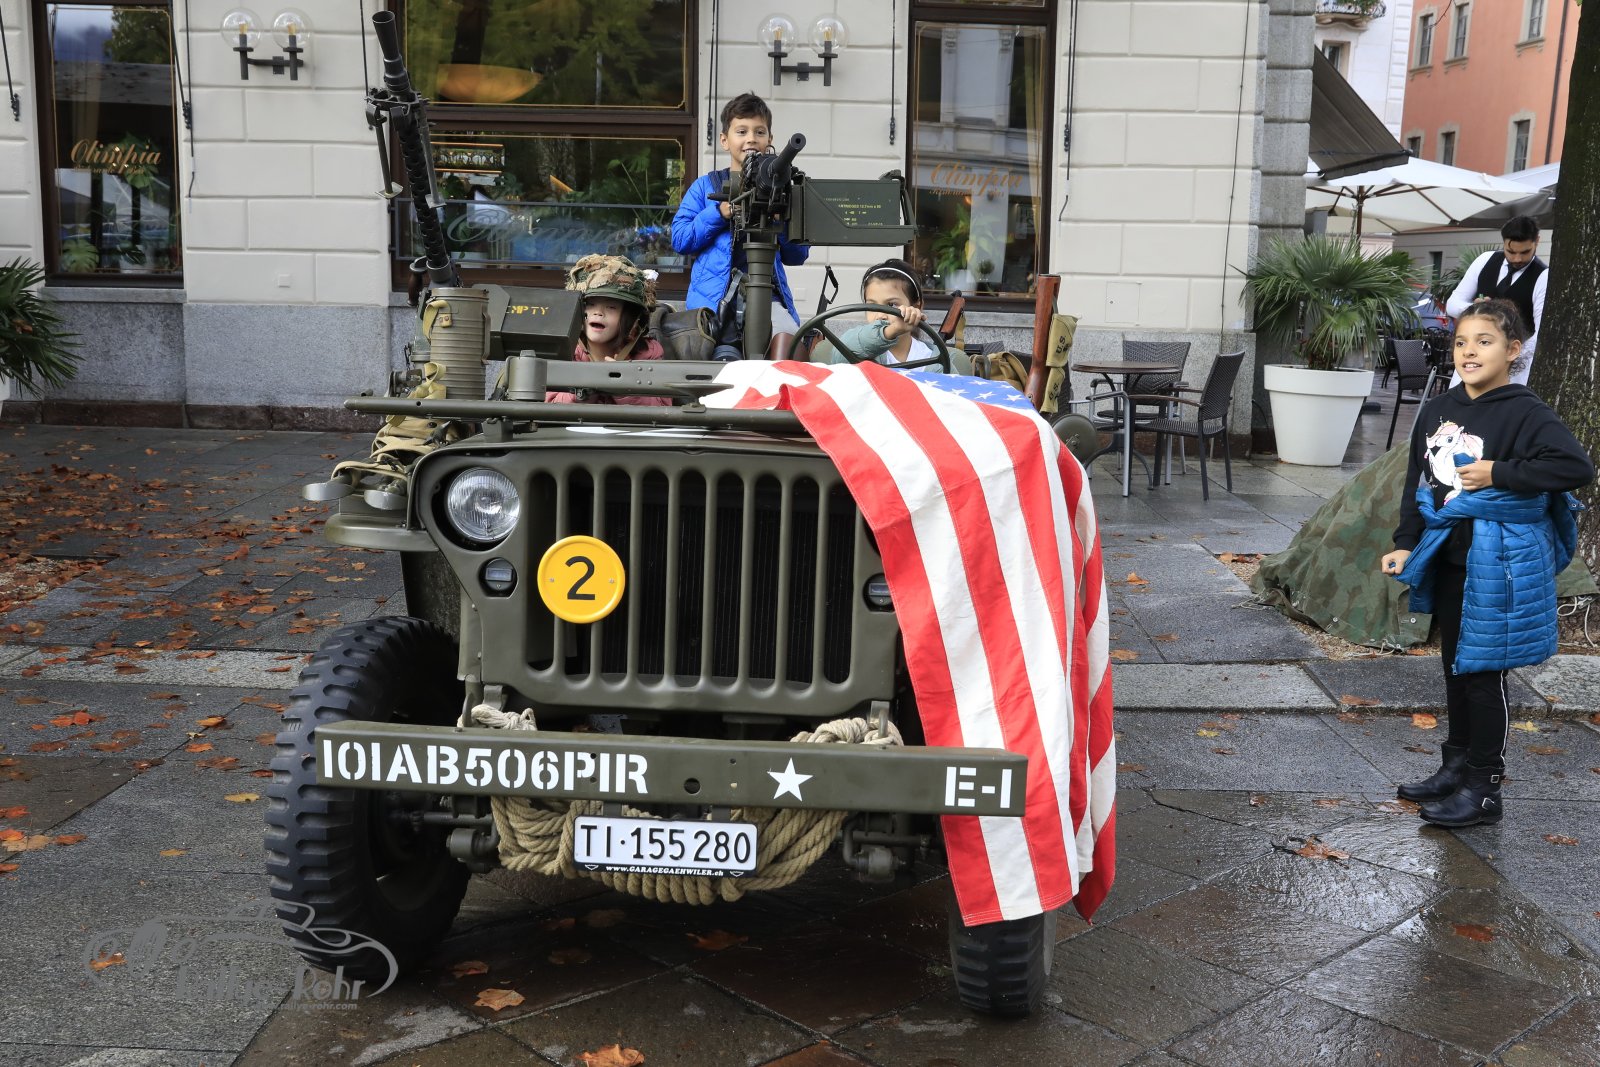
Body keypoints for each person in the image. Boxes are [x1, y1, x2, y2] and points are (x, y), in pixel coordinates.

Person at [1380, 298, 1592, 829]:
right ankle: (1455, 767)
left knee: (1482, 673)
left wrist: (1499, 472)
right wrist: (1406, 541)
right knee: (1455, 666)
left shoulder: (1524, 410)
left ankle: (1484, 788)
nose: (1469, 351)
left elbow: (1575, 466)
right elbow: (1418, 484)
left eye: (1484, 341)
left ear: (1513, 350)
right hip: (1449, 555)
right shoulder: (1438, 408)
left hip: (1498, 563)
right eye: (1461, 342)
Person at [670, 92, 810, 353]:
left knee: (789, 349)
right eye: (742, 131)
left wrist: (780, 220)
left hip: (768, 298)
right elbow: (680, 239)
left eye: (759, 132)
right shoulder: (706, 186)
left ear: (770, 140)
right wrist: (719, 213)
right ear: (724, 140)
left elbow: (797, 255)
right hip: (713, 303)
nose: (751, 139)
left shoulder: (783, 190)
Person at [545, 254, 671, 407]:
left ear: (631, 319)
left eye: (611, 307)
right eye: (590, 305)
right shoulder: (564, 352)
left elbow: (662, 408)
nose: (598, 313)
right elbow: (548, 404)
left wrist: (624, 384)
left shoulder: (648, 353)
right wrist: (583, 390)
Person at [1444, 216, 1547, 386]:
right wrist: (1478, 309)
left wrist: (1508, 356)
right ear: (1503, 242)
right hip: (1472, 360)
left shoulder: (1543, 276)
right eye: (1511, 252)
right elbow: (1452, 304)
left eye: (1525, 252)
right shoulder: (1485, 260)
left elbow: (1540, 333)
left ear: (1537, 241)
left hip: (1514, 370)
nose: (1517, 259)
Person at [821, 258, 972, 374]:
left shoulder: (934, 359)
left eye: (891, 305)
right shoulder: (858, 349)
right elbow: (840, 355)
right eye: (871, 306)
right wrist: (891, 330)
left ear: (917, 307)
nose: (880, 315)